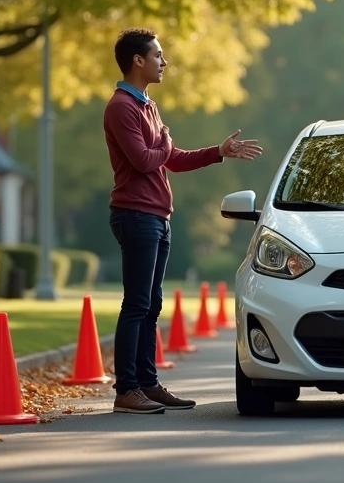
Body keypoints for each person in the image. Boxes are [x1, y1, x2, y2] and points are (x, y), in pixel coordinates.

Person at [104, 28, 263, 414]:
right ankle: (127, 389)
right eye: (158, 55)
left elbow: (171, 158)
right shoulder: (121, 107)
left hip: (157, 215)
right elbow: (146, 159)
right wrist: (165, 143)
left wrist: (218, 152)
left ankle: (147, 383)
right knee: (137, 304)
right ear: (138, 61)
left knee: (152, 303)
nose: (164, 61)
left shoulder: (148, 106)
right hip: (136, 214)